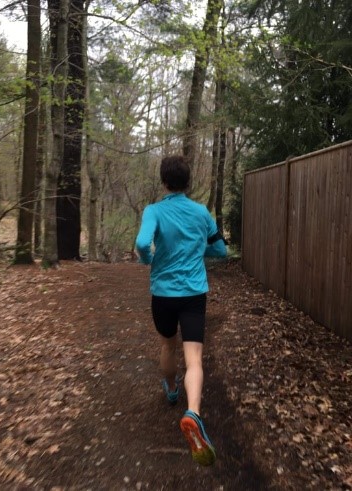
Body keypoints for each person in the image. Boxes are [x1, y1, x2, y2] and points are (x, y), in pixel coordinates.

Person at [135, 155, 227, 466]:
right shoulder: (201, 212)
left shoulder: (154, 211)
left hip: (163, 293)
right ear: (188, 183)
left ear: (163, 181)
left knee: (166, 344)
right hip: (194, 294)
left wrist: (147, 260)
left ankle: (172, 390)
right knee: (194, 357)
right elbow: (220, 249)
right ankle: (194, 413)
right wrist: (204, 250)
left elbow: (141, 242)